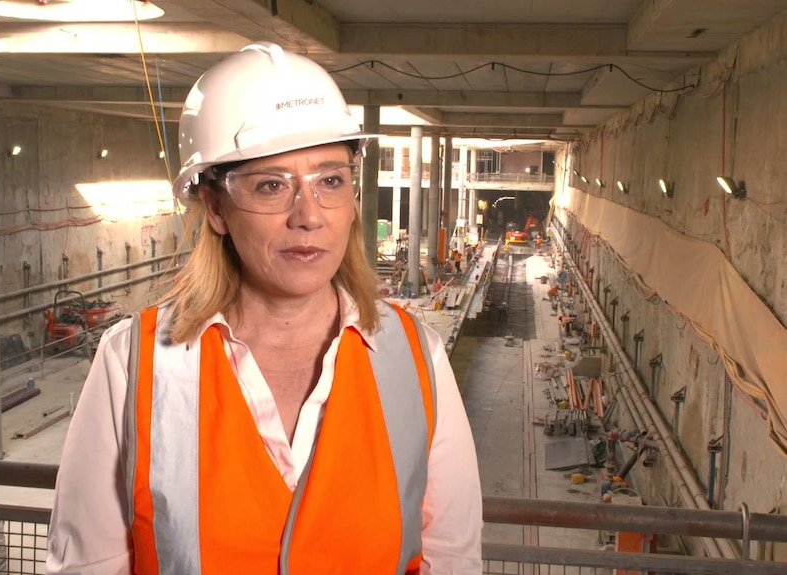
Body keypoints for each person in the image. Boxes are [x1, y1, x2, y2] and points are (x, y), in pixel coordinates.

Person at [46, 42, 482, 575]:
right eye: (272, 185)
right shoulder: (133, 364)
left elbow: (453, 559)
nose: (308, 216)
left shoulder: (415, 357)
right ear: (216, 208)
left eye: (330, 181)